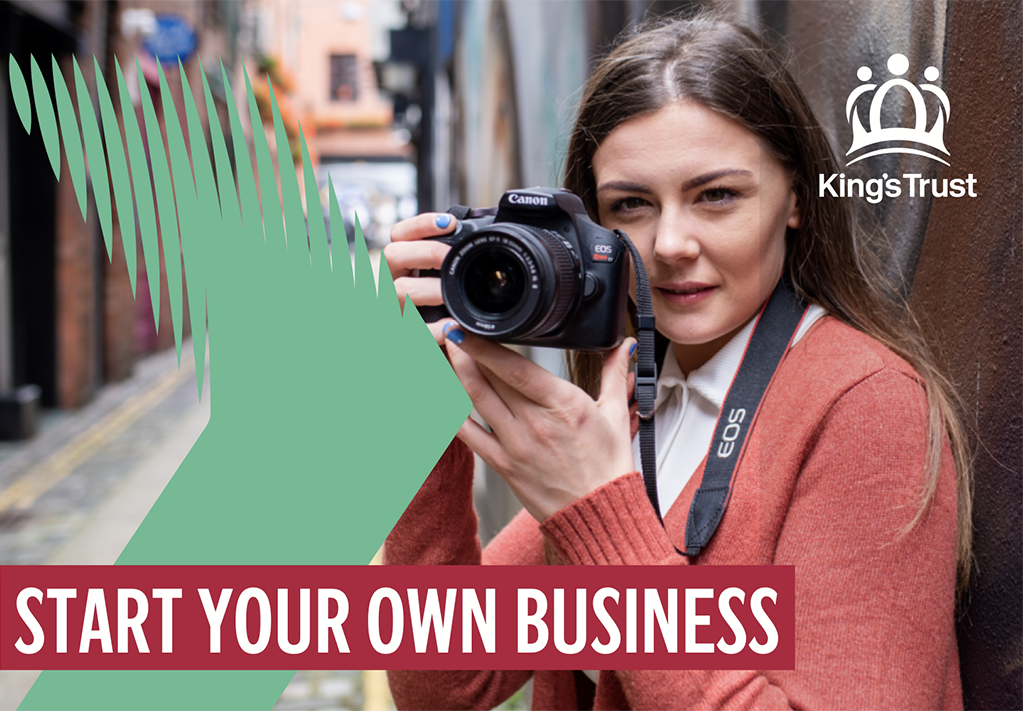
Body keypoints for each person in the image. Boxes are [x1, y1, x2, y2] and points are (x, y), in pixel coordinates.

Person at [381, 11, 971, 711]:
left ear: (795, 199)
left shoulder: (864, 404)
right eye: (630, 205)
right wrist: (425, 412)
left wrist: (597, 511)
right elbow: (447, 682)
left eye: (716, 196)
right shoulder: (630, 404)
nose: (669, 244)